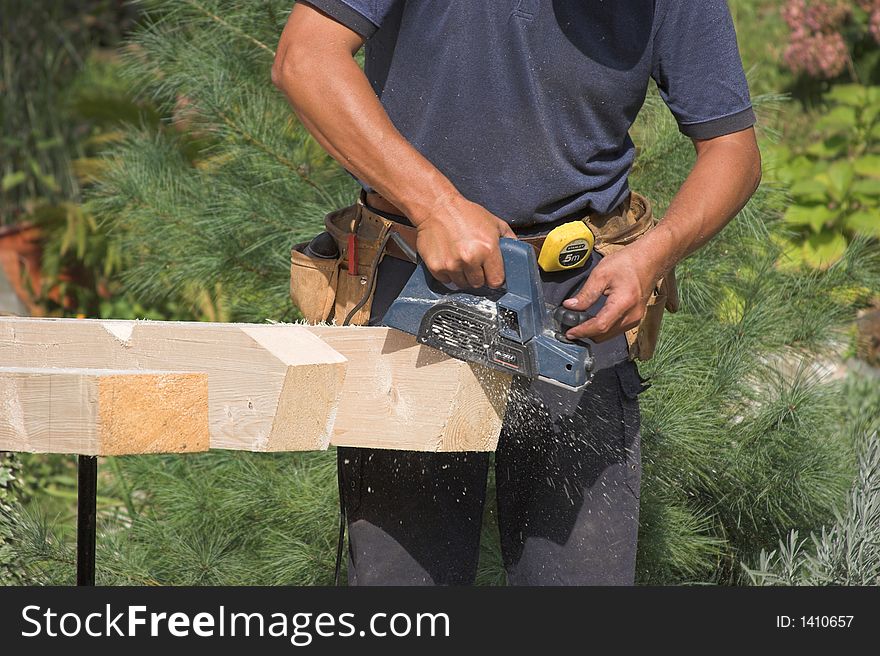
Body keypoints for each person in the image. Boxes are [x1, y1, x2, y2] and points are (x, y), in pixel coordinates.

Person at [272, 0, 761, 585]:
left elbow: (734, 150)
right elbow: (305, 58)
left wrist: (651, 256)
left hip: (583, 308)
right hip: (419, 292)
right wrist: (435, 206)